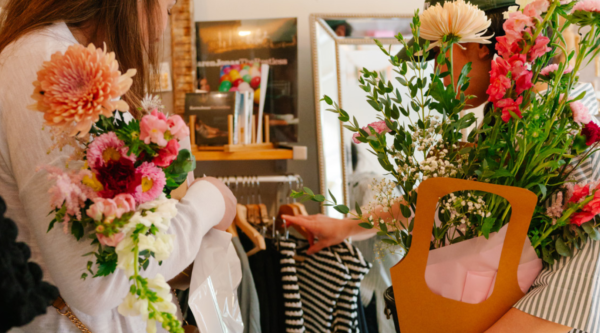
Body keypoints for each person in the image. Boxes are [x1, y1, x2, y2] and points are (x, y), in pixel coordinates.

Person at [285, 1, 599, 332]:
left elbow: (585, 266)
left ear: (477, 46)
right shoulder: (504, 123)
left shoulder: (569, 126)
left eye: (437, 54)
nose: (433, 72)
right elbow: (449, 203)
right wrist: (348, 226)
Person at [0, 0, 236, 332]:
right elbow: (98, 280)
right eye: (167, 9)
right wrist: (212, 201)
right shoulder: (51, 64)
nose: (159, 33)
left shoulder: (53, 56)